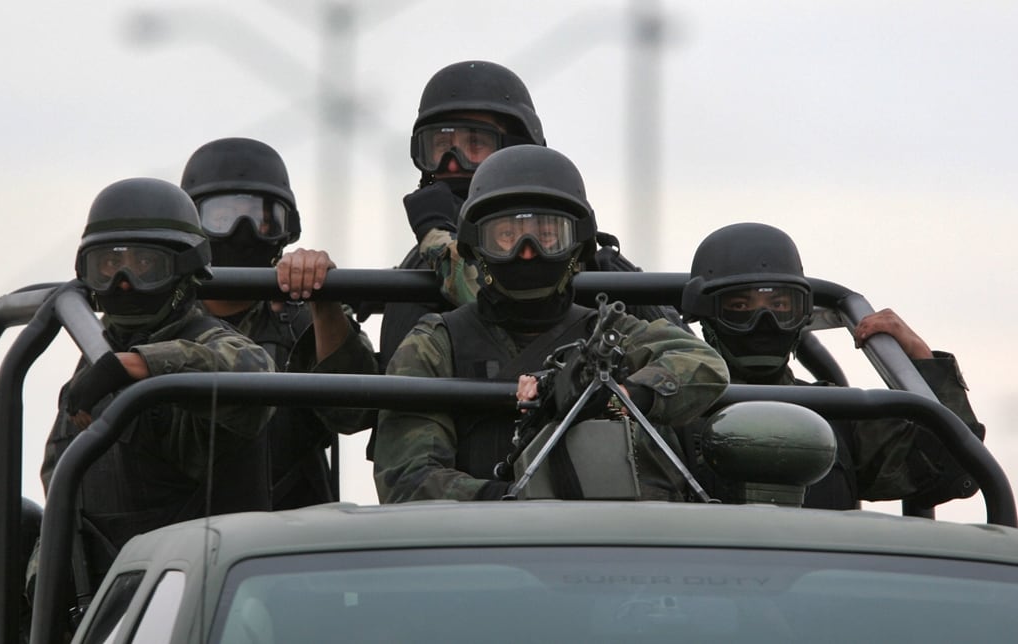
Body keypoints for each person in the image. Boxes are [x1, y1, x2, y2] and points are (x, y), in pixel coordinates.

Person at [374, 145, 729, 503]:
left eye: (546, 235)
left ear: (576, 247)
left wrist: (619, 396)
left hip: (614, 541)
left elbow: (705, 365)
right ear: (477, 248)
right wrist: (517, 499)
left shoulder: (611, 332)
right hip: (482, 545)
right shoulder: (436, 344)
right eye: (507, 236)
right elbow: (408, 478)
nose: (527, 251)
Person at [34, 177, 275, 601]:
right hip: (101, 605)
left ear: (185, 267)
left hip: (198, 603)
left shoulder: (208, 342)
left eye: (145, 264)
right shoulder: (95, 351)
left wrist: (143, 366)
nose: (123, 281)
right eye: (107, 265)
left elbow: (255, 373)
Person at [380, 59, 683, 372]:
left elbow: (691, 368)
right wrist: (330, 312)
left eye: (474, 144)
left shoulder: (588, 261)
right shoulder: (416, 268)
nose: (452, 163)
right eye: (440, 145)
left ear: (518, 148)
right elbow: (357, 409)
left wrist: (436, 236)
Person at [679, 222, 985, 509]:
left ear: (803, 316)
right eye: (740, 307)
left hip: (819, 564)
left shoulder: (840, 415)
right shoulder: (667, 413)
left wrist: (922, 359)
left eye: (781, 306)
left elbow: (949, 467)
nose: (765, 322)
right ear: (707, 315)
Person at [180, 137, 378, 509]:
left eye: (262, 218)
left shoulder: (299, 315)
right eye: (221, 217)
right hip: (172, 540)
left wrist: (323, 301)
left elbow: (353, 414)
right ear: (191, 225)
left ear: (286, 229)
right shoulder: (161, 316)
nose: (243, 230)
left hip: (284, 542)